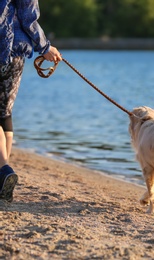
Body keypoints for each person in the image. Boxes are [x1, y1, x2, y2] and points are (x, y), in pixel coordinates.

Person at [0, 0, 62, 202]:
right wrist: (45, 47)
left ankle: (3, 170)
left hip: (6, 46)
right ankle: (3, 179)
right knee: (4, 112)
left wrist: (44, 47)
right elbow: (28, 16)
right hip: (14, 51)